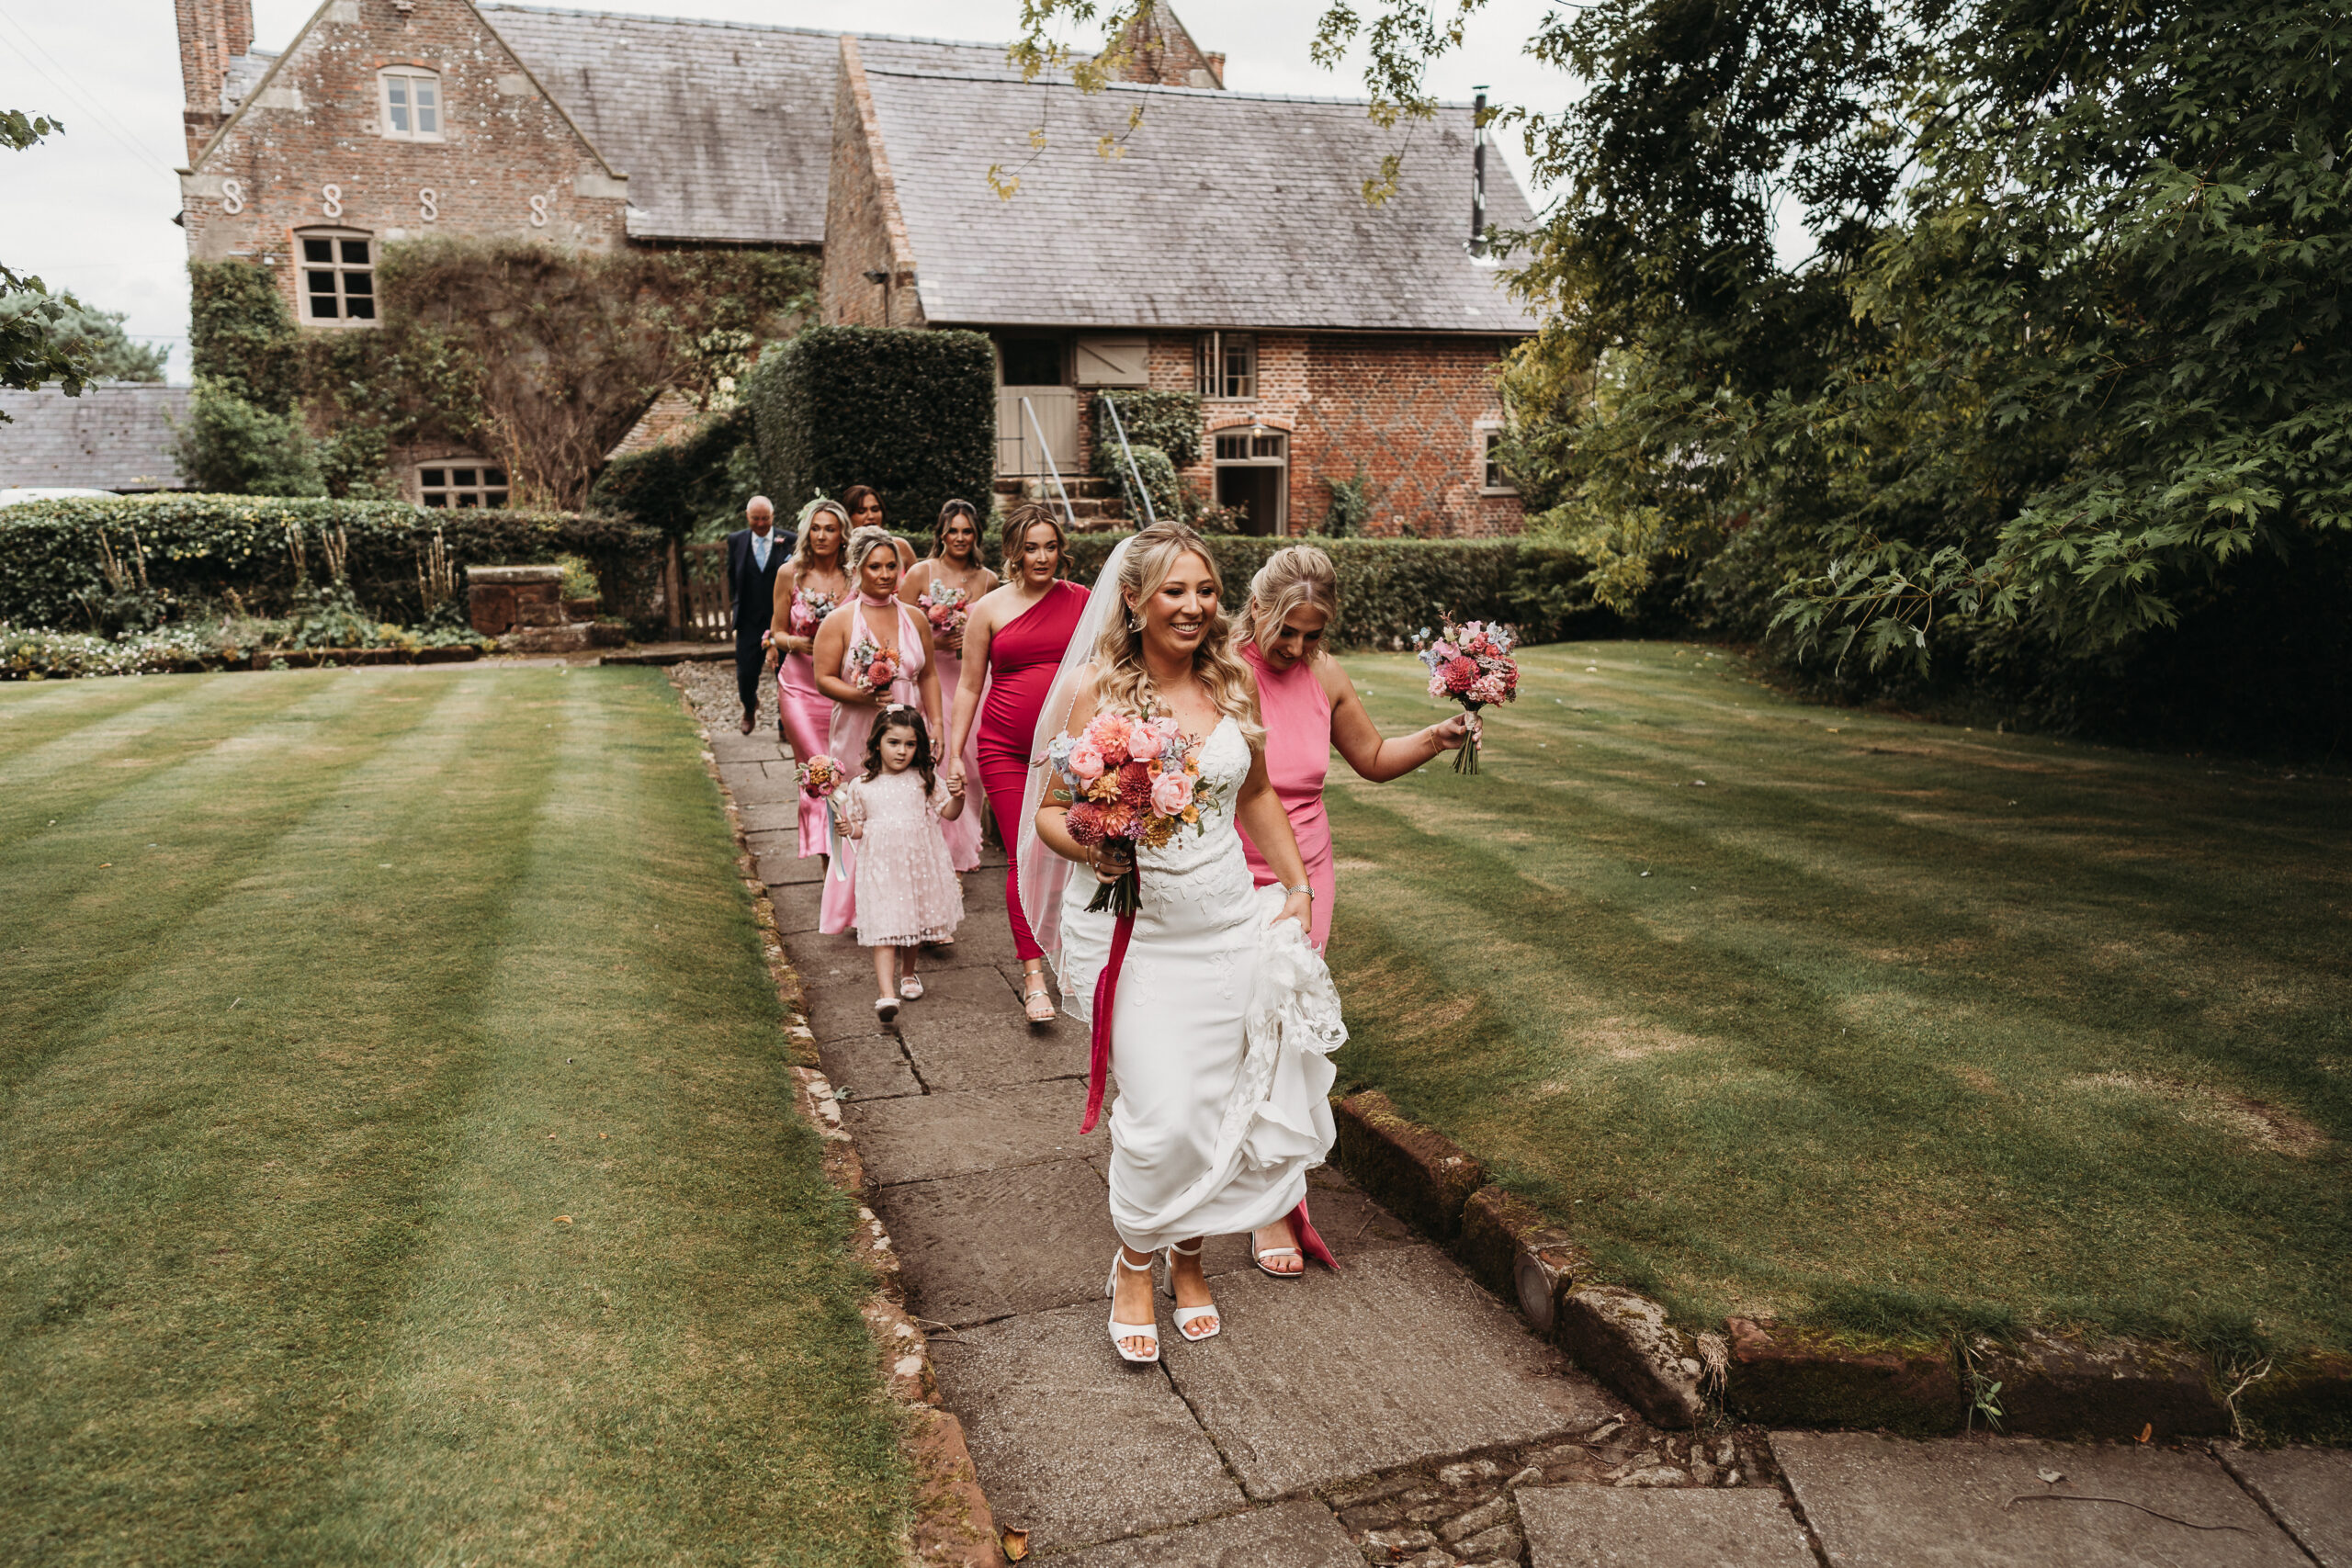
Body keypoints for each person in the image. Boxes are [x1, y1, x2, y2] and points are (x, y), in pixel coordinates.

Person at [1022, 522, 1344, 1364]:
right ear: (1133, 599)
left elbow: (1258, 794)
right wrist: (1097, 843)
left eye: (1205, 590)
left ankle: (1189, 1256)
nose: (1195, 607)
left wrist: (1299, 886)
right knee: (1161, 1120)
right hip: (1143, 940)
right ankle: (1134, 1258)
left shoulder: (1232, 680)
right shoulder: (1099, 691)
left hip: (1232, 932)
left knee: (1216, 1119)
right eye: (1175, 591)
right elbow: (1051, 811)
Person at [1227, 545, 1474, 1277]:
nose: (1299, 648)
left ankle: (1271, 1203)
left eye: (1313, 633)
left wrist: (1437, 736)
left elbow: (1367, 755)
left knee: (1284, 1030)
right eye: (1289, 632)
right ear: (1261, 610)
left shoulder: (1326, 674)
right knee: (1230, 1025)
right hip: (1228, 866)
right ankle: (1207, 1162)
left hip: (1308, 872)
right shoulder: (1225, 671)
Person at [947, 502, 1089, 1022]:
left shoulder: (1082, 603)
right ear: (1012, 552)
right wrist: (952, 755)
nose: (1043, 557)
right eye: (1031, 547)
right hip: (1003, 749)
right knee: (1023, 858)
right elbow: (967, 685)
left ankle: (1074, 958)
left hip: (1072, 754)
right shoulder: (989, 608)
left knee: (1074, 852)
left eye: (1051, 546)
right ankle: (1034, 977)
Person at [814, 526, 945, 938]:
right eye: (876, 566)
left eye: (892, 566)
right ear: (857, 569)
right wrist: (859, 693)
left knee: (910, 809)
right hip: (858, 726)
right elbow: (822, 679)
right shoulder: (839, 621)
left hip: (908, 727)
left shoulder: (916, 618)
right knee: (864, 810)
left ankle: (919, 909)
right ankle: (858, 911)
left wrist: (936, 724)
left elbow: (928, 675)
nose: (886, 574)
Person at [833, 705, 967, 1022]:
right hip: (881, 867)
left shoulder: (923, 779)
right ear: (877, 742)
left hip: (917, 864)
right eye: (894, 742)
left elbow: (948, 812)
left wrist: (959, 795)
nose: (902, 751)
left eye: (910, 744)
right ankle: (886, 994)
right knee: (884, 926)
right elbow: (861, 826)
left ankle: (908, 974)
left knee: (912, 922)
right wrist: (848, 829)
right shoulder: (862, 785)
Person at [900, 499, 998, 873]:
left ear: (976, 535)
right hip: (932, 679)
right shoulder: (921, 573)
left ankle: (964, 845)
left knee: (971, 769)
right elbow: (900, 626)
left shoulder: (988, 579)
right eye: (953, 530)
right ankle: (937, 849)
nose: (959, 537)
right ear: (941, 533)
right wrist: (936, 641)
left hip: (972, 682)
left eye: (967, 531)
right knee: (937, 764)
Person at [769, 499, 852, 863]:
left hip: (842, 687)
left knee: (848, 770)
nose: (821, 535)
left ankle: (851, 854)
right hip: (800, 687)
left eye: (829, 529)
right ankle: (826, 861)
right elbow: (775, 632)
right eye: (815, 528)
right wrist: (798, 642)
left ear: (842, 535)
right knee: (818, 771)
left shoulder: (855, 576)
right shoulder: (791, 573)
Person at [726, 495, 790, 735]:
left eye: (766, 519)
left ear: (773, 517)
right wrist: (738, 604)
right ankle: (749, 706)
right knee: (745, 674)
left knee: (784, 673)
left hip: (781, 620)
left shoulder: (788, 540)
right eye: (756, 519)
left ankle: (786, 724)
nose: (761, 524)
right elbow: (732, 576)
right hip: (748, 621)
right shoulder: (736, 540)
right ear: (747, 517)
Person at [842, 483, 917, 575]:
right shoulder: (839, 554)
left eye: (875, 509)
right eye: (861, 511)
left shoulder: (901, 547)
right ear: (847, 516)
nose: (871, 516)